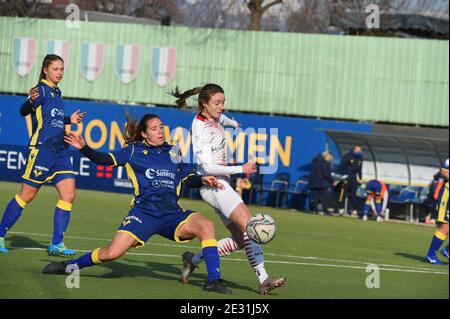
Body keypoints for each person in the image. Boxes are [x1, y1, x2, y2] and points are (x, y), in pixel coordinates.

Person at [42, 114, 232, 294]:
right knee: (111, 253)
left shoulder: (173, 151)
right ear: (144, 133)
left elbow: (188, 176)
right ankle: (70, 265)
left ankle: (213, 280)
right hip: (144, 214)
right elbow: (105, 160)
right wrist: (84, 148)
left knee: (206, 225)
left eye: (162, 128)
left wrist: (202, 180)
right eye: (154, 128)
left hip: (172, 215)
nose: (160, 131)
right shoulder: (133, 151)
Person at [170, 85, 286, 295]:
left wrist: (232, 123)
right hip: (215, 185)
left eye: (223, 102)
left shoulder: (213, 117)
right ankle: (264, 279)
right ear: (204, 104)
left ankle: (192, 259)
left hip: (221, 186)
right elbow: (206, 167)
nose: (221, 107)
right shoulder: (200, 128)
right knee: (252, 228)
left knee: (241, 240)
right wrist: (240, 168)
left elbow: (221, 120)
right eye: (217, 103)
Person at [0, 54, 86, 256]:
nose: (60, 73)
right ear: (45, 69)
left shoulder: (57, 92)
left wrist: (69, 119)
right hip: (43, 150)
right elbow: (24, 111)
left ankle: (57, 243)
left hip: (60, 151)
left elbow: (52, 117)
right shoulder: (40, 89)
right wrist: (30, 100)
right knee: (27, 195)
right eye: (56, 69)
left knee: (68, 194)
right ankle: (0, 234)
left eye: (62, 69)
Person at [424, 156, 449, 265]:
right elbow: (444, 171)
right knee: (445, 226)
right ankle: (431, 255)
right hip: (447, 195)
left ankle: (447, 251)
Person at [338, 145, 364, 216]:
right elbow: (341, 166)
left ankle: (353, 209)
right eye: (358, 150)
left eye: (360, 151)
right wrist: (342, 175)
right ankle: (341, 208)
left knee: (353, 194)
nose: (359, 152)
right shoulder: (348, 156)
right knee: (343, 193)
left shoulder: (360, 158)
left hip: (354, 178)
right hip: (346, 177)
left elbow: (359, 169)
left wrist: (360, 178)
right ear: (354, 150)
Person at [308, 151, 336, 215]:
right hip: (322, 183)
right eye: (330, 158)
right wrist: (332, 181)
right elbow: (326, 174)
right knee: (324, 197)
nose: (330, 160)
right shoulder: (324, 163)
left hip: (313, 182)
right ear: (328, 156)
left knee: (316, 197)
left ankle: (315, 210)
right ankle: (326, 210)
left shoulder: (315, 161)